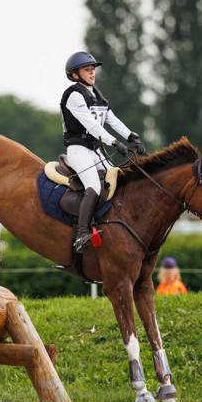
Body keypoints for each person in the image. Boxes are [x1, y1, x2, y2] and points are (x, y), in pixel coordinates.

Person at [60, 51, 146, 252]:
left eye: (93, 70)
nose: (92, 73)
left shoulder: (96, 94)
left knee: (118, 179)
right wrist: (114, 142)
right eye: (87, 70)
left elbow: (111, 119)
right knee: (95, 187)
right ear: (74, 75)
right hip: (78, 149)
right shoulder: (74, 95)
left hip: (95, 150)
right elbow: (91, 126)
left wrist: (131, 136)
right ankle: (81, 234)